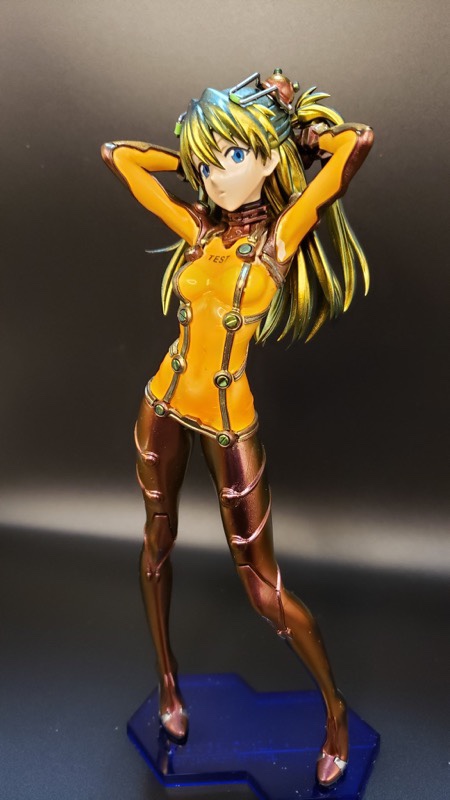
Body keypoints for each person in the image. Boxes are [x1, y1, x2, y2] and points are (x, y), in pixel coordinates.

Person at [101, 69, 373, 787]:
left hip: (228, 423)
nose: (216, 176)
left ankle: (335, 710)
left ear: (267, 156)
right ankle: (168, 682)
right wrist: (196, 150)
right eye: (207, 163)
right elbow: (119, 157)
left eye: (232, 156)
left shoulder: (281, 239)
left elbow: (355, 145)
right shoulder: (197, 230)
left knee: (263, 591)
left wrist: (299, 133)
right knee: (156, 543)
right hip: (162, 402)